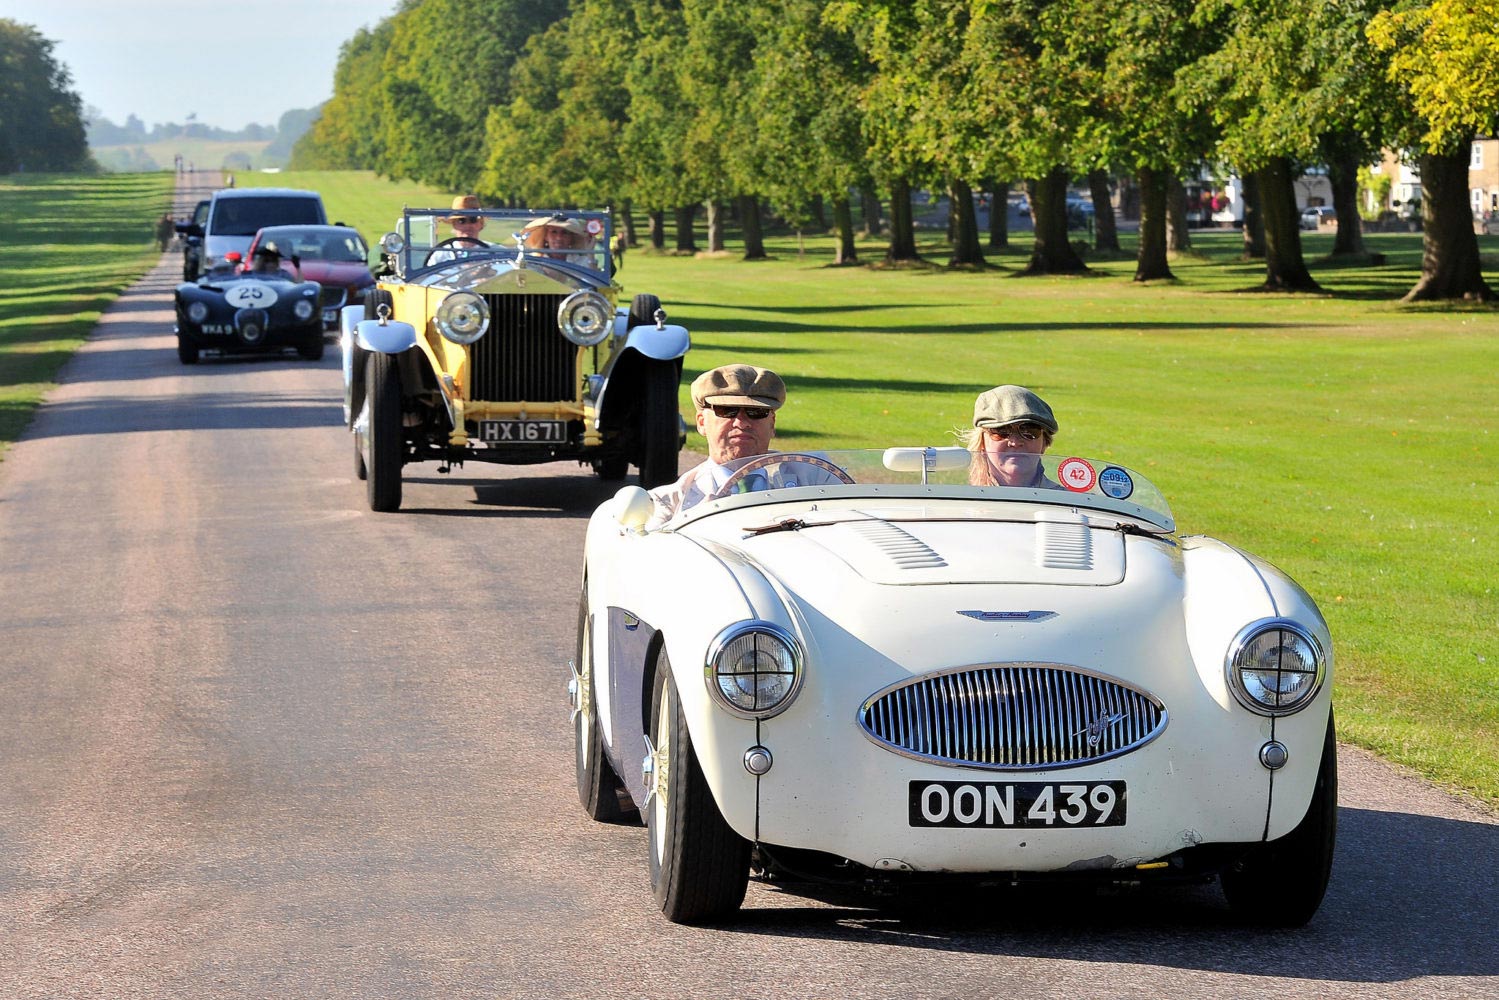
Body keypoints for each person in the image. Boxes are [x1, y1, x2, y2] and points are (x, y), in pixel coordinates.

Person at [647, 364, 787, 525]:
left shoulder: (815, 480)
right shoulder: (666, 505)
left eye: (756, 411)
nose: (741, 423)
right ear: (701, 423)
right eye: (727, 410)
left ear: (772, 424)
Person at [966, 384, 1061, 488]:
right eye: (1002, 431)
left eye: (1029, 431)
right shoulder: (961, 499)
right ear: (982, 443)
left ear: (1044, 442)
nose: (1015, 442)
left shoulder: (1066, 501)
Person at [427, 195, 489, 264]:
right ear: (454, 224)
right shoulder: (440, 255)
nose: (467, 225)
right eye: (461, 221)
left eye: (473, 220)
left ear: (480, 223)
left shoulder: (494, 252)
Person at [522, 213, 596, 261]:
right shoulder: (534, 260)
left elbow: (594, 281)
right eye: (554, 232)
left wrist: (590, 253)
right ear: (546, 236)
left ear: (571, 238)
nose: (559, 238)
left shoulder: (579, 260)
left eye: (564, 233)